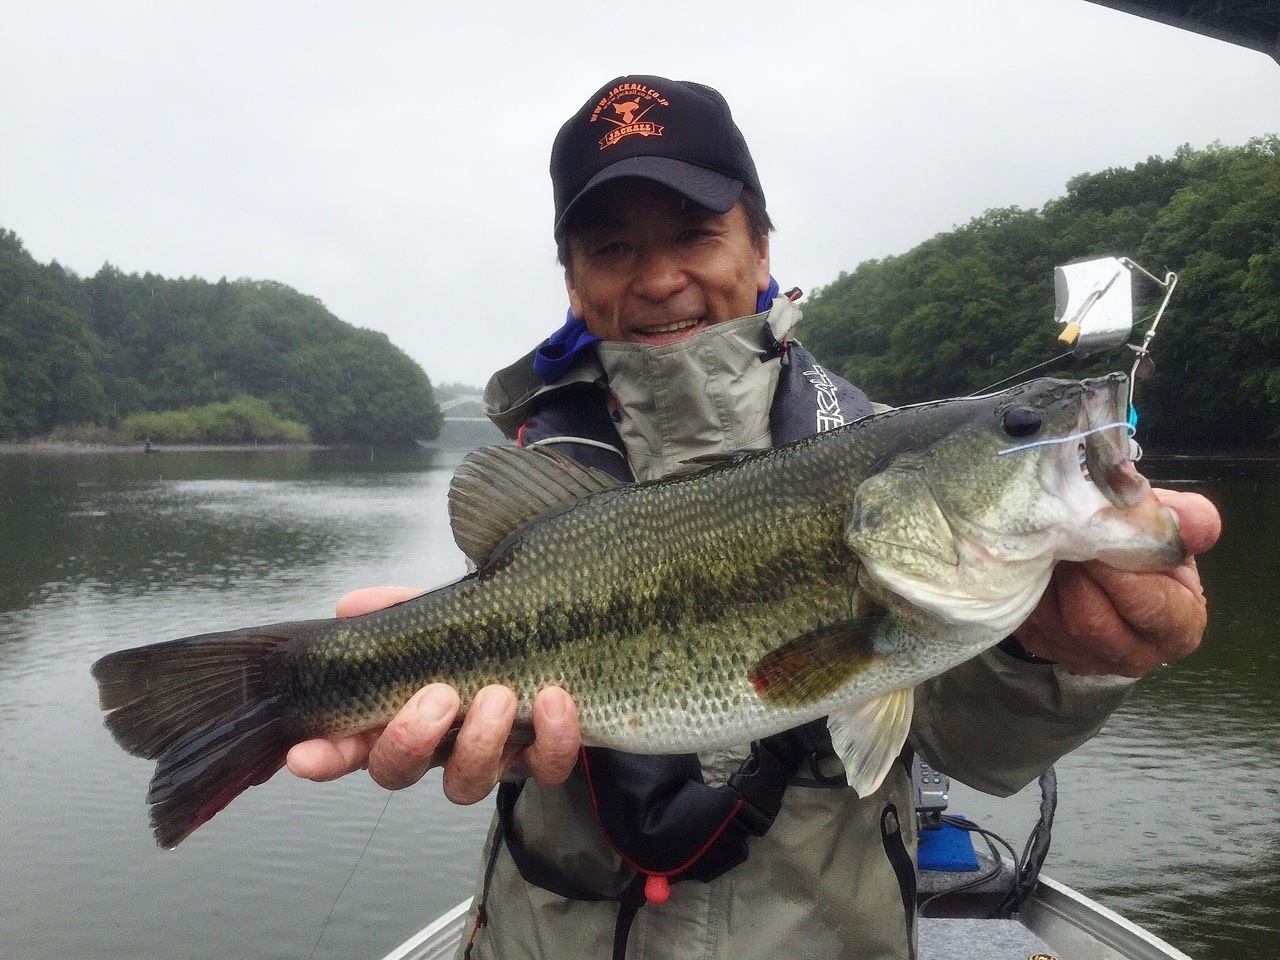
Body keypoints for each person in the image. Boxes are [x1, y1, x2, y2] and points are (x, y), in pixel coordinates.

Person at [287, 75, 1221, 959]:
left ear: (760, 247)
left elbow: (975, 748)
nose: (658, 279)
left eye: (694, 233)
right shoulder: (552, 463)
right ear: (573, 280)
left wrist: (1055, 656)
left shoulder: (878, 451)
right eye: (612, 248)